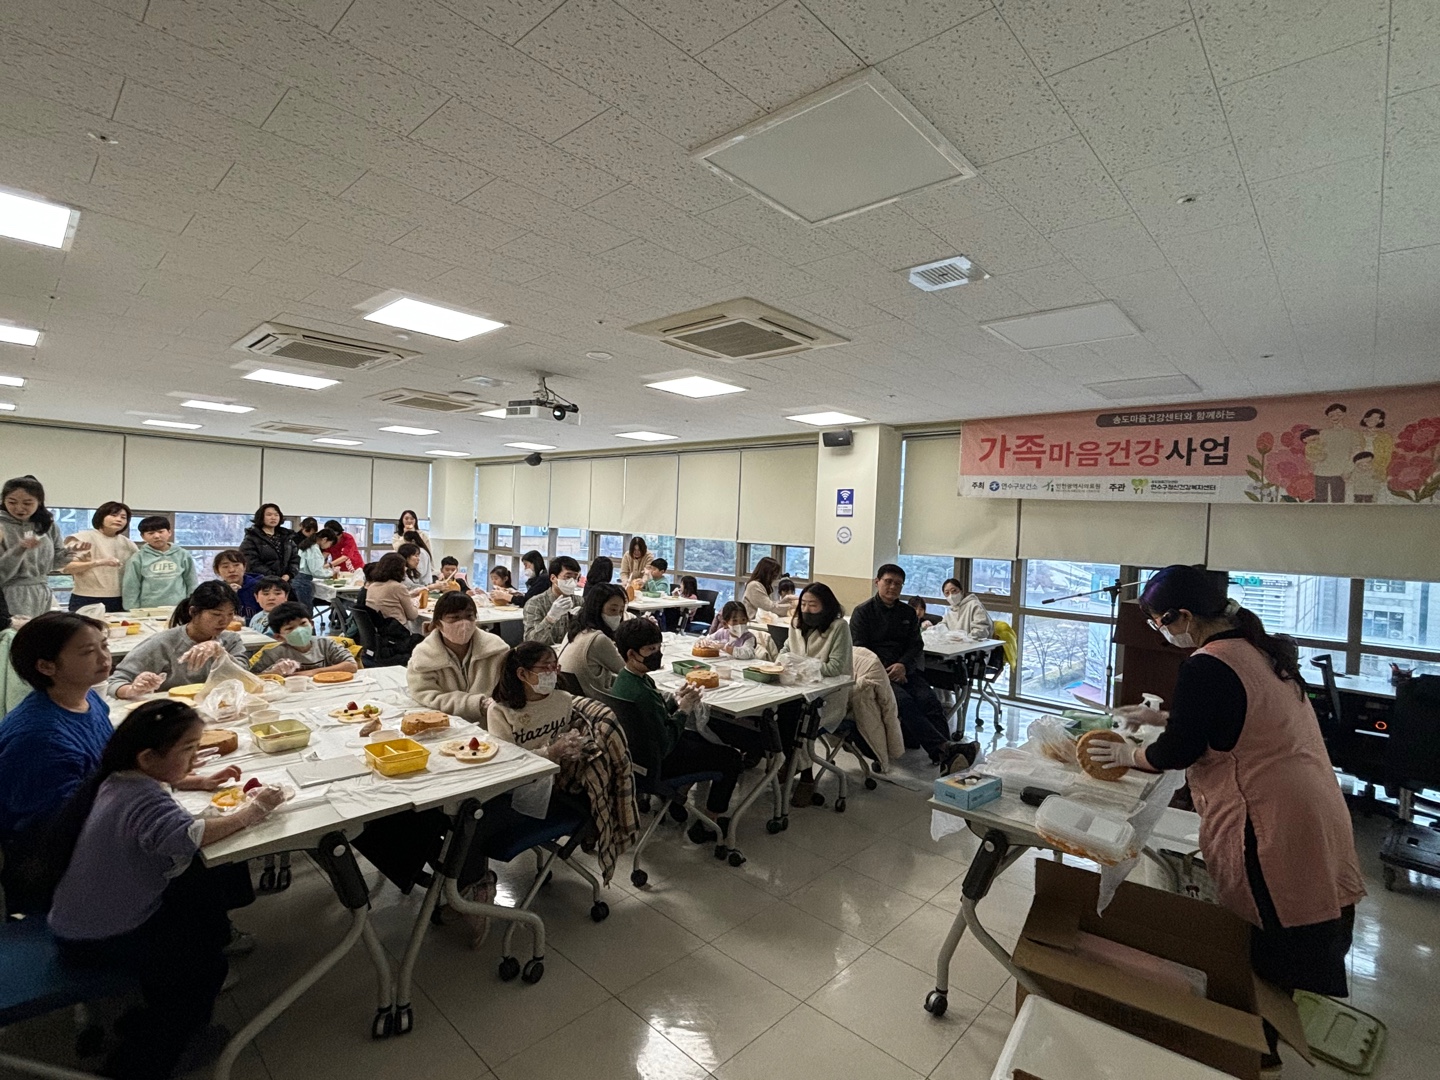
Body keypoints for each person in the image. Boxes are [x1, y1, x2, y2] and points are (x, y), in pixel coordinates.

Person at [1082, 565, 1365, 1072]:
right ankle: (1262, 1032)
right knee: (1290, 924)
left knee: (1272, 931)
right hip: (1312, 806)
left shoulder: (1206, 664)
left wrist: (1130, 755)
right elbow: (1232, 717)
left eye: (1159, 623)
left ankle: (1256, 1050)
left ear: (1184, 616)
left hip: (1272, 817)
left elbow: (1183, 748)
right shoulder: (1259, 649)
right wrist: (1160, 718)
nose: (1162, 633)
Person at [46, 700, 285, 1080]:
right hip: (102, 936)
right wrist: (254, 810)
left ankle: (142, 1019)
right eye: (188, 749)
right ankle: (148, 1060)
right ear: (147, 757)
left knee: (193, 918)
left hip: (76, 919)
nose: (196, 757)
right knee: (203, 967)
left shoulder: (116, 780)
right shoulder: (145, 801)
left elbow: (165, 805)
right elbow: (190, 836)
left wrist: (195, 780)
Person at [0, 612, 115, 912]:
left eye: (104, 645)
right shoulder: (41, 738)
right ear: (46, 666)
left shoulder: (88, 700)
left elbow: (111, 763)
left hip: (92, 823)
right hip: (56, 861)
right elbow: (55, 828)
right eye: (88, 652)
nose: (104, 657)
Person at [610, 618, 743, 843]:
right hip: (658, 763)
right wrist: (683, 710)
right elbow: (667, 743)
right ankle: (710, 823)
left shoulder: (626, 680)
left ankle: (678, 796)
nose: (657, 653)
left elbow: (656, 716)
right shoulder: (642, 693)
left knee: (699, 738)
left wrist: (674, 701)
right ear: (632, 654)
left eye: (659, 647)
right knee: (732, 757)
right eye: (651, 649)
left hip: (637, 758)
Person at [850, 563, 949, 763]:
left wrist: (903, 665)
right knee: (904, 703)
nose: (893, 587)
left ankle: (948, 750)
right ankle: (942, 750)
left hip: (905, 670)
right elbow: (860, 650)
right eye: (888, 582)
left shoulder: (908, 613)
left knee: (930, 700)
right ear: (877, 582)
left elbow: (915, 645)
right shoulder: (862, 612)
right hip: (876, 674)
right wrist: (887, 669)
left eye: (898, 584)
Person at [780, 583, 855, 806]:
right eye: (803, 604)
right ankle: (788, 762)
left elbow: (834, 668)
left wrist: (800, 664)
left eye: (813, 605)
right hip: (796, 690)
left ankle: (805, 776)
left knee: (801, 720)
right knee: (777, 715)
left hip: (828, 695)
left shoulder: (839, 627)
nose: (807, 609)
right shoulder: (796, 624)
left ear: (826, 606)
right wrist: (785, 661)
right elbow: (784, 652)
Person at [108, 581, 249, 699]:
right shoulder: (163, 643)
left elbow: (246, 679)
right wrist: (133, 690)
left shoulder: (231, 640)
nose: (224, 621)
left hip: (222, 709)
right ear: (193, 612)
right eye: (216, 614)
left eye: (230, 614)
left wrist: (220, 653)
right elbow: (114, 682)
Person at [406, 591, 509, 722]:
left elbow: (509, 690)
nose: (464, 623)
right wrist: (476, 704)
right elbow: (426, 695)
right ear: (438, 623)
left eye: (469, 616)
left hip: (491, 723)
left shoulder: (496, 649)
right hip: (444, 724)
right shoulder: (424, 656)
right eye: (455, 617)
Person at [0, 475, 82, 617]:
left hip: (42, 592)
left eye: (27, 503)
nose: (19, 508)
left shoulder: (46, 525)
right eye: (12, 502)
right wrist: (20, 549)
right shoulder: (2, 525)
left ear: (39, 502)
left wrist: (69, 553)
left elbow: (55, 565)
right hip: (9, 593)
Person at [62, 501, 137, 612]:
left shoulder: (128, 543)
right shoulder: (83, 538)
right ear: (101, 516)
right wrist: (97, 562)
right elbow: (65, 567)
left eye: (123, 517)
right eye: (113, 515)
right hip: (87, 597)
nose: (119, 519)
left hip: (121, 598)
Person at [251, 602, 357, 676]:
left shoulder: (325, 644)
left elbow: (351, 665)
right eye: (290, 628)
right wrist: (273, 672)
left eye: (303, 624)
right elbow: (253, 677)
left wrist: (312, 672)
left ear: (311, 624)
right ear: (279, 637)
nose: (299, 630)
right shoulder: (274, 654)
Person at [560, 583, 627, 697]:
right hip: (594, 702)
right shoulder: (598, 639)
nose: (618, 616)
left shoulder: (574, 632)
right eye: (613, 609)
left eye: (621, 611)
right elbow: (627, 672)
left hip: (574, 698)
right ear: (597, 608)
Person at [121, 516, 199, 611]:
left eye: (161, 531)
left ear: (169, 532)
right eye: (151, 533)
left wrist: (191, 604)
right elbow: (131, 586)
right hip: (148, 609)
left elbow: (192, 582)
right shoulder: (137, 558)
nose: (157, 536)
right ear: (142, 537)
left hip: (178, 608)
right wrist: (132, 610)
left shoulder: (183, 554)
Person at [1306, 403, 1361, 504]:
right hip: (1321, 472)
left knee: (1338, 501)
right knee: (1320, 501)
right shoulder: (1323, 433)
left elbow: (1356, 454)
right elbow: (1313, 451)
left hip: (1339, 473)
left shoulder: (1352, 434)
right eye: (1331, 415)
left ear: (1344, 414)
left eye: (1338, 414)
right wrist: (1315, 460)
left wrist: (1348, 470)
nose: (1335, 417)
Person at [523, 555, 581, 645]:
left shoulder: (579, 602)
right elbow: (530, 641)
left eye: (575, 578)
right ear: (553, 578)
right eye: (568, 577)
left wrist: (584, 621)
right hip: (544, 655)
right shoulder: (535, 603)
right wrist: (550, 618)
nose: (572, 582)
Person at [365, 552, 426, 632]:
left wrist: (410, 595)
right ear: (398, 569)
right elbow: (412, 615)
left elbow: (390, 599)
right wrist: (415, 604)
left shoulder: (372, 586)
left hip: (378, 632)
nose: (406, 569)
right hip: (398, 632)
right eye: (404, 566)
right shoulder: (398, 587)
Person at [212, 550, 260, 620]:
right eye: (225, 567)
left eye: (236, 565)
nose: (231, 570)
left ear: (244, 566)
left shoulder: (259, 587)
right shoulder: (214, 591)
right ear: (217, 570)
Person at [742, 556, 792, 620]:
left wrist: (783, 601)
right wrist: (791, 608)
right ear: (767, 572)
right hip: (754, 623)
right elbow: (768, 608)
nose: (776, 576)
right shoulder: (754, 586)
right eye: (774, 573)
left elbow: (769, 604)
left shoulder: (762, 586)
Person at [294, 527, 328, 609]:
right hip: (303, 581)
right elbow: (316, 571)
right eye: (330, 543)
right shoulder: (314, 549)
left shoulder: (307, 545)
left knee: (300, 608)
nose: (328, 546)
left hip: (298, 578)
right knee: (306, 610)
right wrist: (331, 573)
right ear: (324, 539)